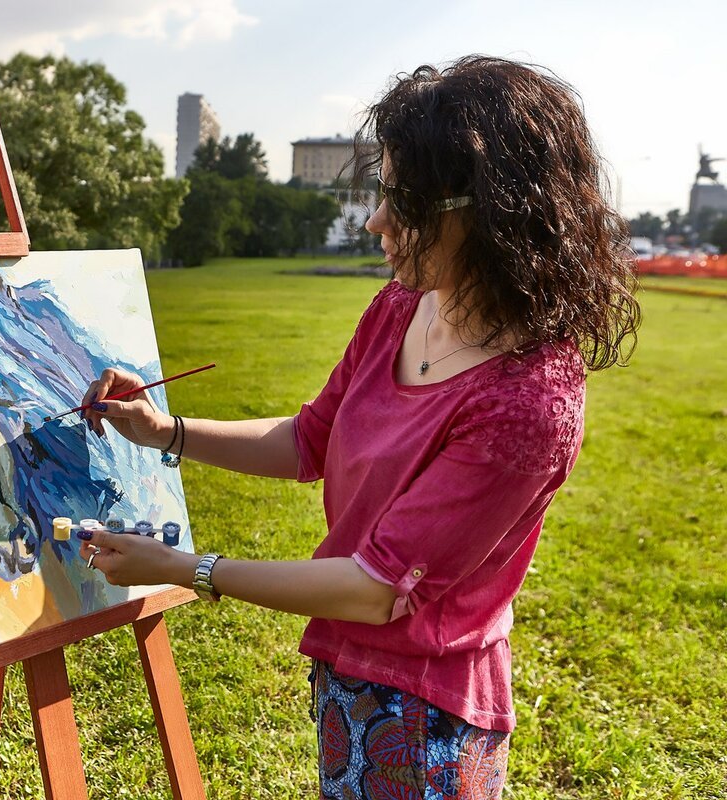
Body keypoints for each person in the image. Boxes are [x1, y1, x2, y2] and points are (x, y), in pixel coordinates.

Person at [75, 55, 640, 799]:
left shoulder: (529, 402)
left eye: (403, 201)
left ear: (490, 211)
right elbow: (311, 438)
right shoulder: (403, 307)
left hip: (426, 718)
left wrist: (185, 568)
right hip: (350, 675)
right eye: (382, 193)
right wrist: (164, 430)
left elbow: (377, 589)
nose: (376, 220)